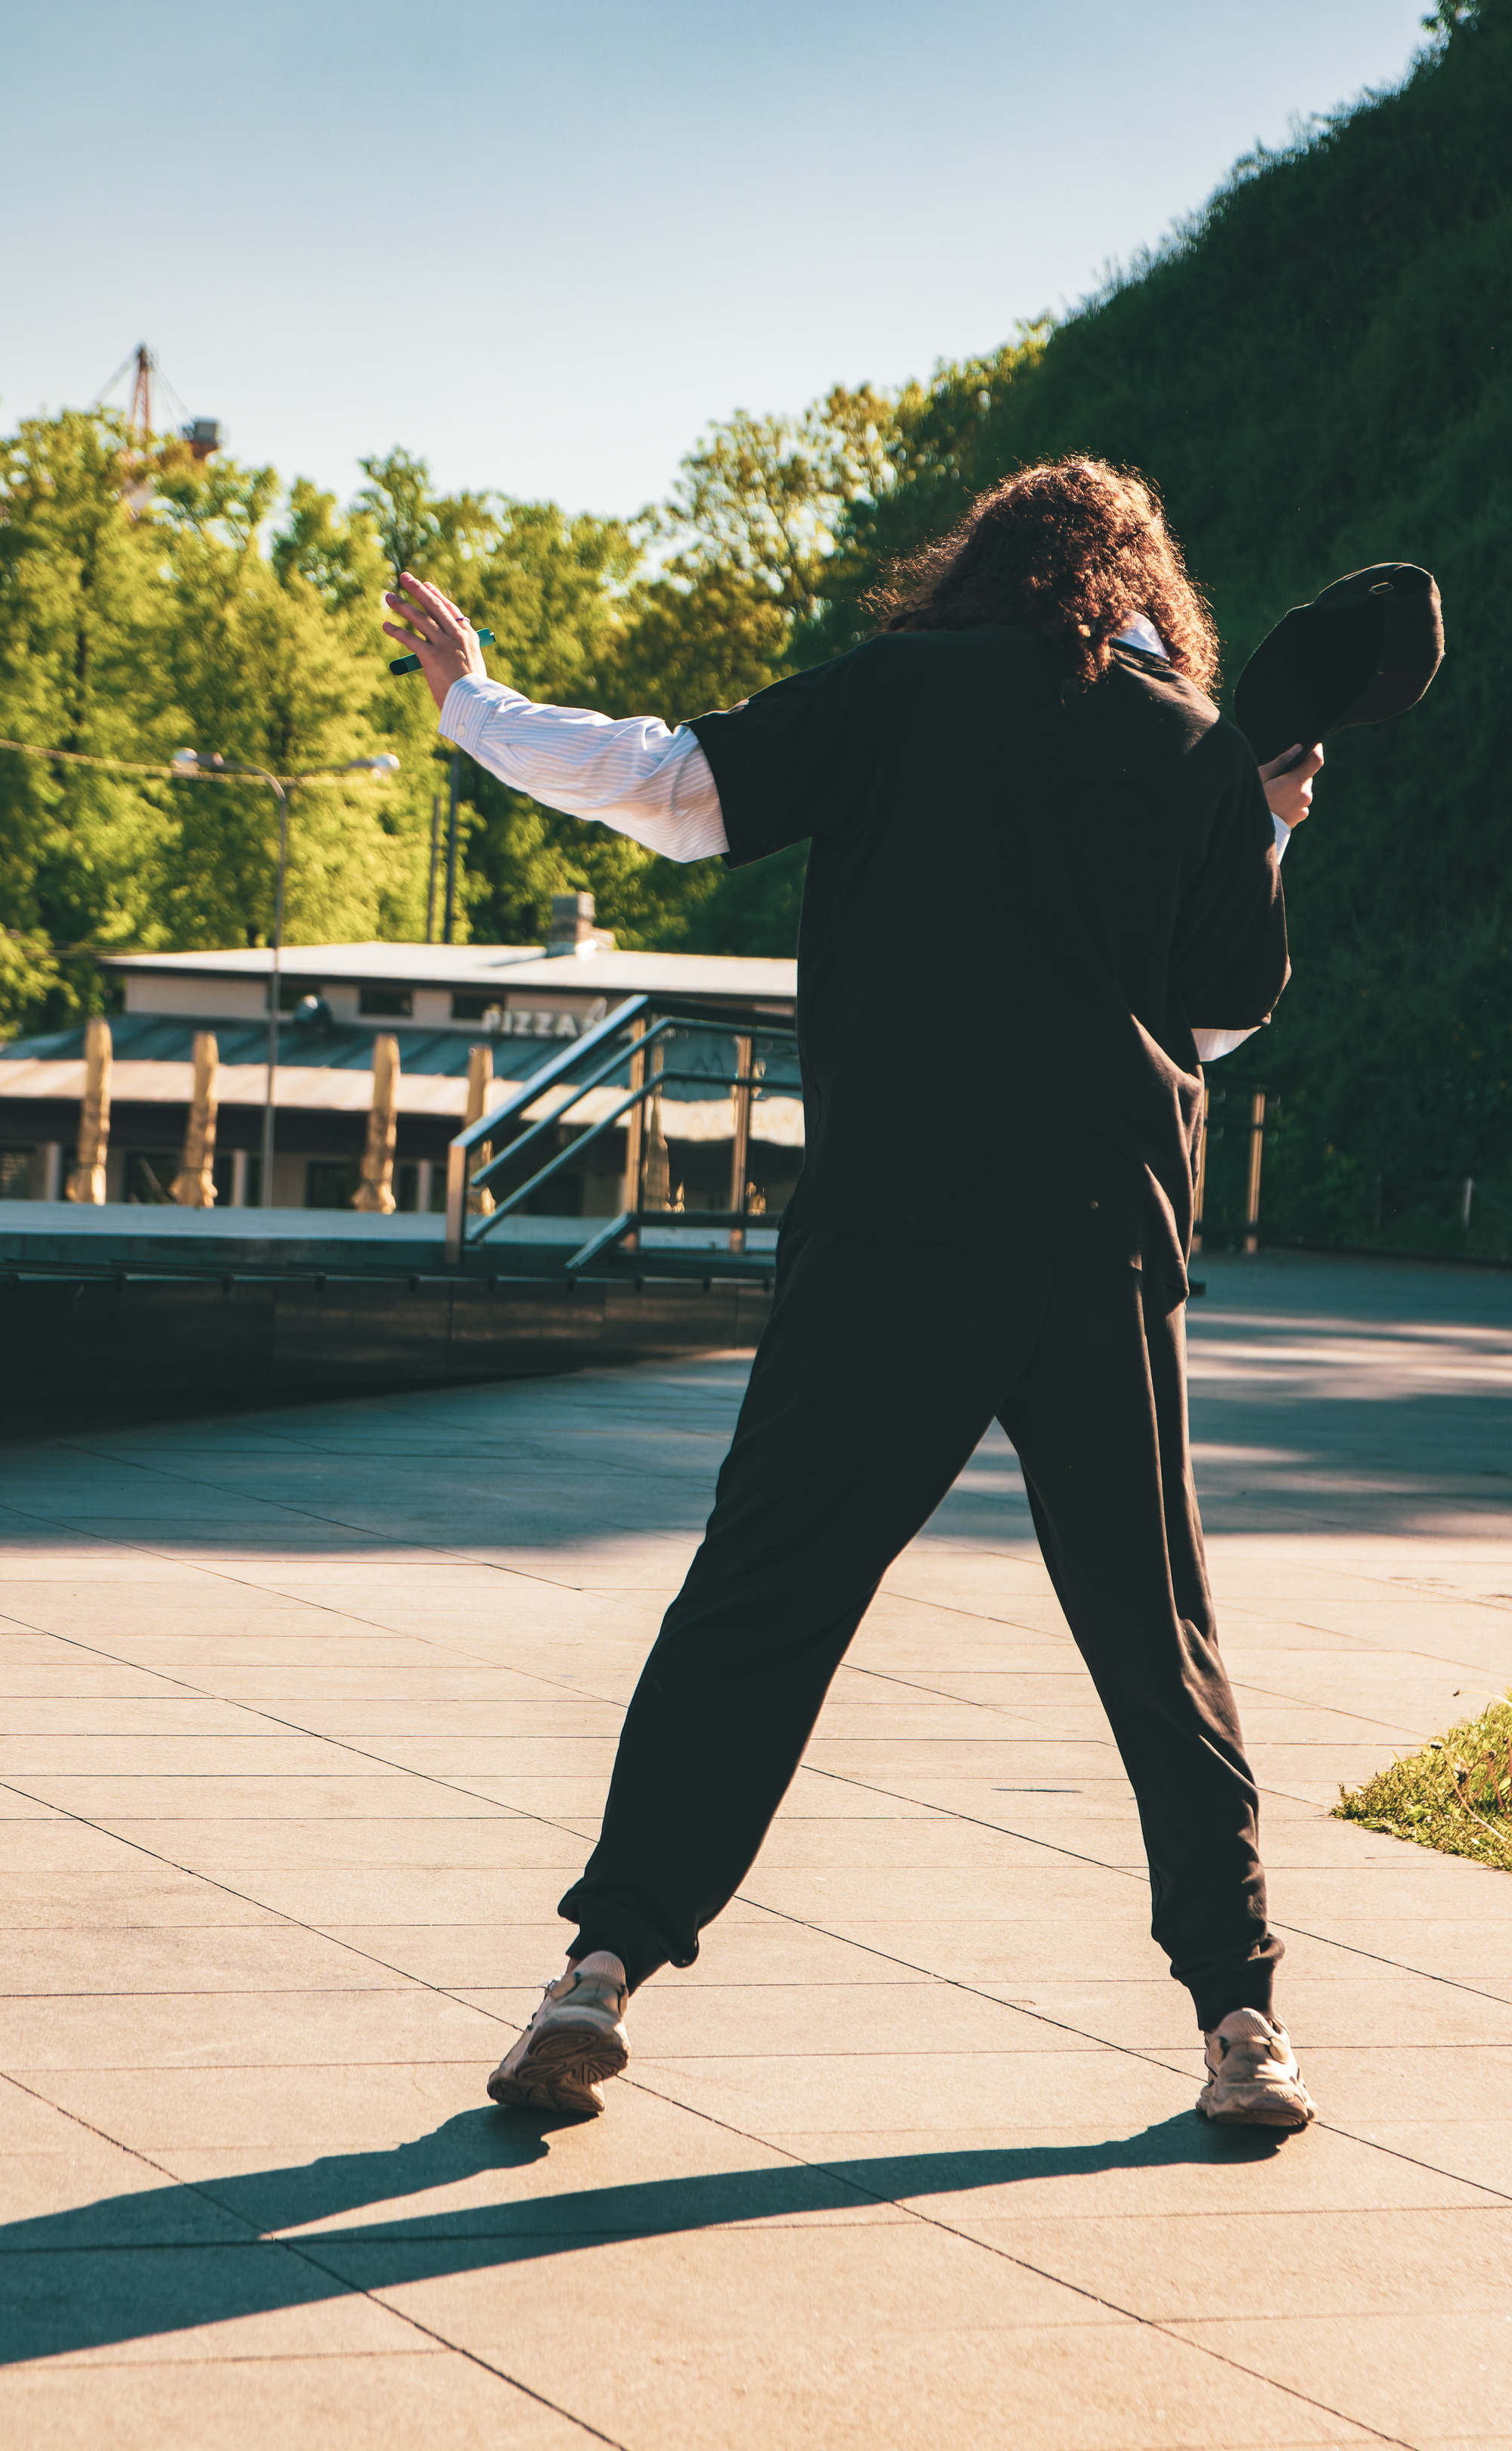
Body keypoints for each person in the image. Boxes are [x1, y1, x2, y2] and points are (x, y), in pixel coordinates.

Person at [382, 457, 1318, 2133]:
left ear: (985, 568)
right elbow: (1220, 1024)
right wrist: (1258, 831)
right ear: (1144, 587)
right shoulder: (1193, 753)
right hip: (1098, 1246)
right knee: (1150, 1631)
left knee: (764, 1596)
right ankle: (1241, 2022)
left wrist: (476, 702)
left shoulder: (898, 695)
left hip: (891, 1233)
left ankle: (598, 1973)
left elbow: (667, 789)